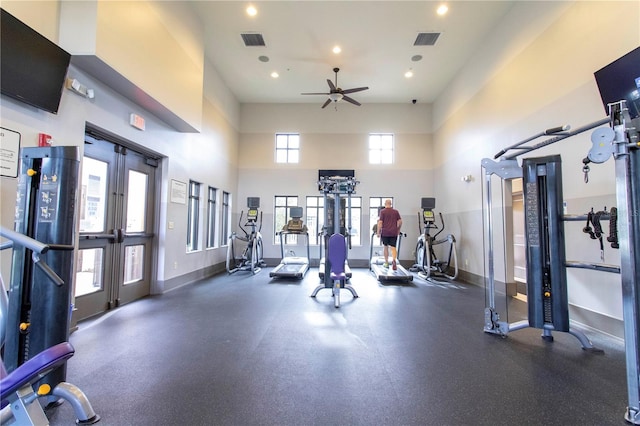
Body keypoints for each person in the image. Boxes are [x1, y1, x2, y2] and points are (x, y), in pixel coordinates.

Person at [376, 199, 402, 270]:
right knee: (393, 247)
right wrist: (398, 230)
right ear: (391, 204)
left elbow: (380, 223)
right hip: (394, 232)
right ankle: (394, 260)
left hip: (385, 232)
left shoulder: (382, 212)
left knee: (385, 247)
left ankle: (386, 263)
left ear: (385, 204)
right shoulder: (396, 212)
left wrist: (378, 232)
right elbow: (400, 221)